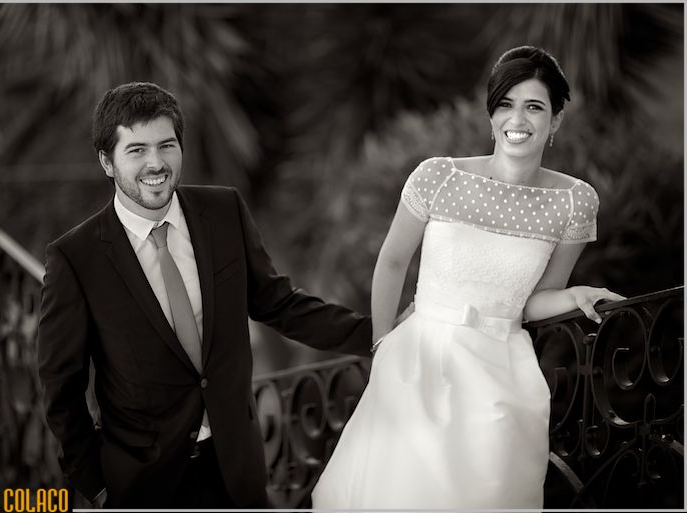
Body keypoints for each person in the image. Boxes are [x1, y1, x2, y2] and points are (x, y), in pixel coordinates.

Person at [311, 46, 625, 509]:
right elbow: (393, 260)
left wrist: (574, 295)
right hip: (419, 361)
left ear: (556, 119)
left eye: (534, 106)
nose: (518, 119)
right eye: (506, 103)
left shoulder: (574, 203)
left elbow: (536, 300)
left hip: (503, 371)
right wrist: (382, 346)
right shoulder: (438, 177)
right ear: (491, 113)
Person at [36, 81, 373, 509]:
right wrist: (95, 484)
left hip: (237, 470)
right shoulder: (74, 258)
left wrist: (378, 333)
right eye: (136, 150)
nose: (156, 163)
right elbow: (60, 386)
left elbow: (280, 304)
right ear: (107, 161)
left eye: (166, 145)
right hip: (144, 486)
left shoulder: (224, 212)